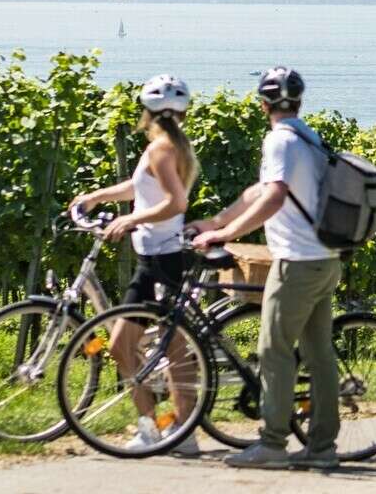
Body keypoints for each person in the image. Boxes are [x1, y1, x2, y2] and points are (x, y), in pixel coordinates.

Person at [189, 66, 340, 470]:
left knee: (273, 350)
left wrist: (226, 236)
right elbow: (256, 192)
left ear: (262, 105)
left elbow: (273, 197)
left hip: (296, 263)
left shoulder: (279, 141)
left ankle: (273, 444)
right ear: (299, 102)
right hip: (325, 259)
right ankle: (322, 447)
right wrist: (217, 223)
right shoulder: (307, 138)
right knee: (318, 353)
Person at [70, 73, 201, 454]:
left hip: (159, 259)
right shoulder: (167, 146)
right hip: (161, 256)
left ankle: (156, 428)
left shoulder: (162, 149)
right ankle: (178, 430)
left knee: (125, 346)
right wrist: (97, 197)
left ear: (147, 112)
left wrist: (131, 219)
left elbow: (176, 203)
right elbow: (139, 188)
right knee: (173, 344)